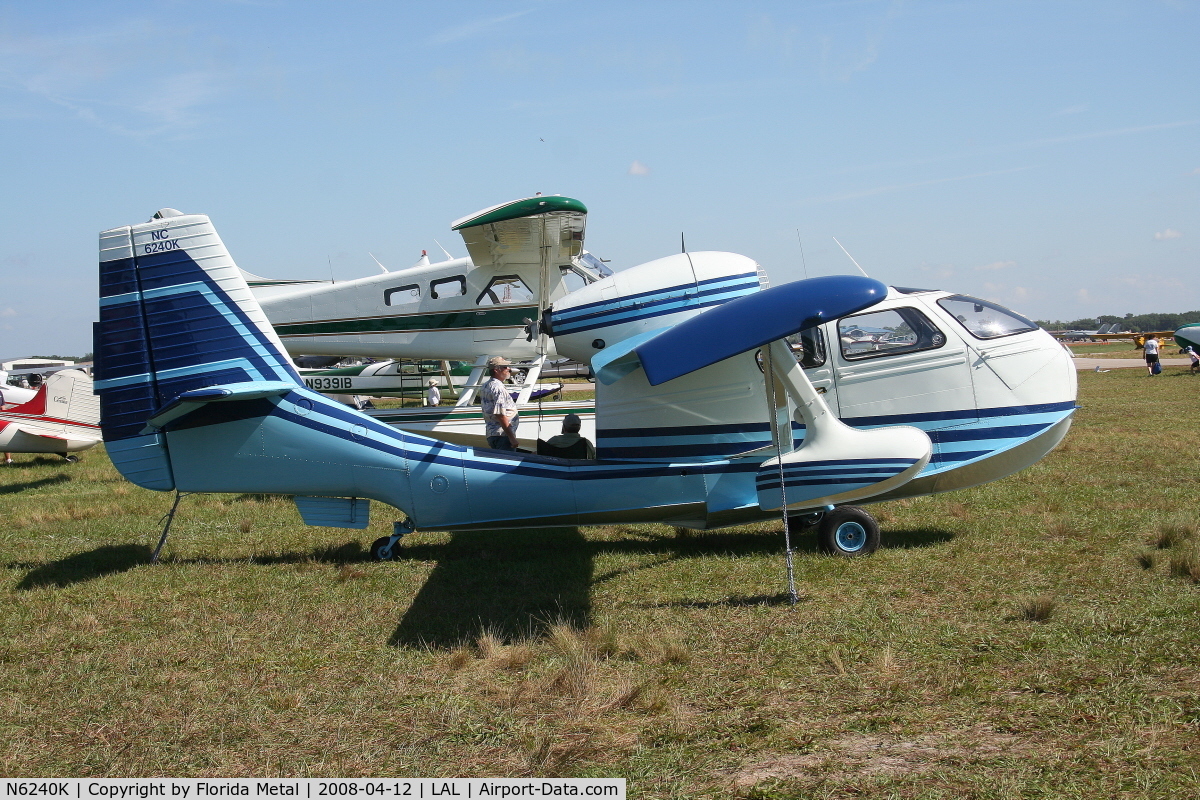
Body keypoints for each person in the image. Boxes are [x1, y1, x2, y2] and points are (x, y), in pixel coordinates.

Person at [480, 356, 519, 450]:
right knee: (508, 463)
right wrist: (512, 437)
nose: (509, 369)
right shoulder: (498, 388)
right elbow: (500, 414)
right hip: (502, 435)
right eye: (505, 367)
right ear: (496, 370)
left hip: (492, 434)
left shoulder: (485, 385)